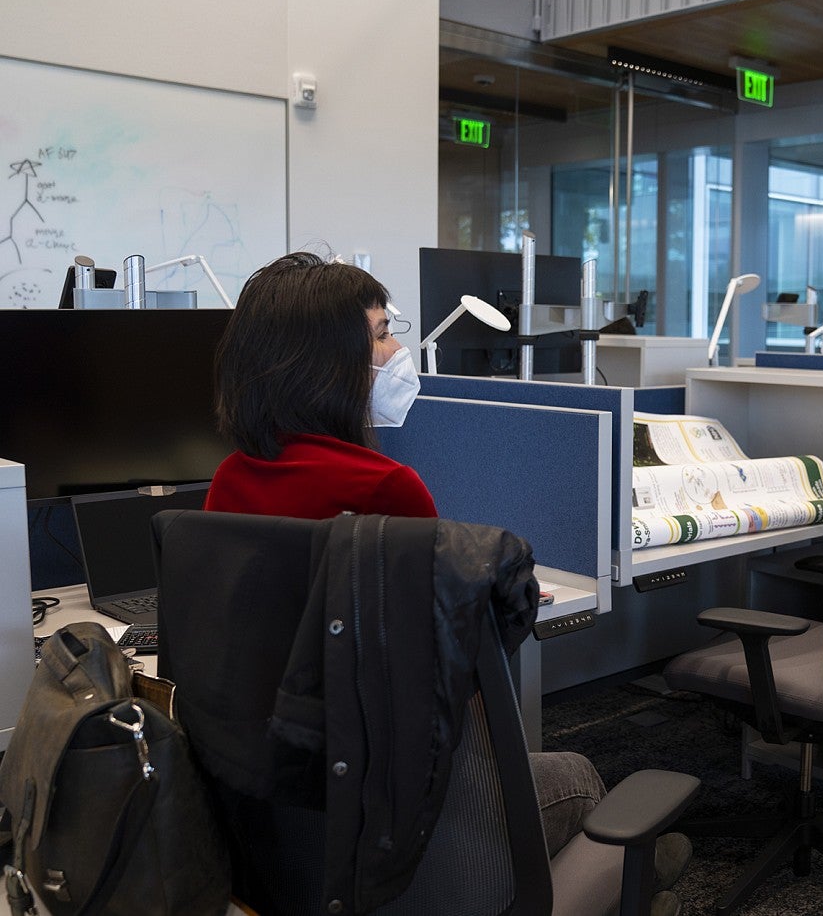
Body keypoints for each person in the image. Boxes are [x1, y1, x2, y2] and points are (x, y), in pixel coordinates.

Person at [206, 253, 688, 913]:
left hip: (291, 819)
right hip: (398, 819)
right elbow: (450, 683)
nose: (398, 347)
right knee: (576, 777)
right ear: (327, 361)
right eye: (379, 333)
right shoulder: (385, 488)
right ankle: (638, 877)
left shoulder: (231, 479)